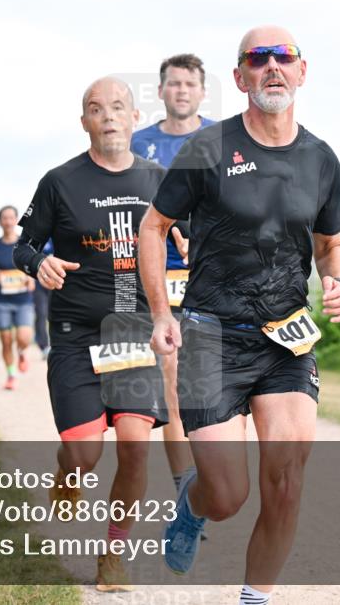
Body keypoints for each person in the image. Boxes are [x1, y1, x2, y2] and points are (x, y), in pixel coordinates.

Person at [138, 26, 340, 605]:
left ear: (302, 72)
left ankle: (255, 597)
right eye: (258, 59)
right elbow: (153, 227)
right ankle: (192, 506)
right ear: (239, 78)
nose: (272, 67)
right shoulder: (209, 148)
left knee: (285, 479)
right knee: (227, 494)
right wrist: (162, 313)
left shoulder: (321, 158)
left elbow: (331, 243)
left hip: (287, 339)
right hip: (210, 336)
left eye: (284, 57)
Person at [13, 76, 169, 593]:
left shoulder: (159, 179)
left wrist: (196, 242)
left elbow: (193, 229)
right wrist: (40, 263)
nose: (107, 116)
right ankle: (66, 474)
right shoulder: (60, 181)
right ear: (84, 122)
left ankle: (114, 554)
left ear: (135, 118)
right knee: (83, 455)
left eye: (118, 106)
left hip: (135, 330)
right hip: (77, 332)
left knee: (135, 447)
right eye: (95, 108)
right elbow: (23, 246)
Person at [130, 53, 215, 495]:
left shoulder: (222, 138)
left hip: (217, 276)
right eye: (174, 83)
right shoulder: (137, 143)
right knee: (174, 377)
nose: (181, 90)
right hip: (163, 277)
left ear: (202, 91)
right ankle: (186, 485)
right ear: (161, 91)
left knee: (215, 380)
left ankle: (213, 473)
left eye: (190, 84)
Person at [0, 206, 35, 389]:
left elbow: (36, 265)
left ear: (16, 220)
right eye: (4, 218)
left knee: (24, 337)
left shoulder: (25, 244)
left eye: (11, 218)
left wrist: (31, 279)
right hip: (2, 300)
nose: (8, 221)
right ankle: (11, 375)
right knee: (5, 339)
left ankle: (22, 352)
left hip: (23, 300)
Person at [32, 239, 54, 359]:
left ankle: (57, 344)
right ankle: (44, 346)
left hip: (58, 283)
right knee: (41, 314)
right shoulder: (38, 236)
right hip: (39, 285)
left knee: (56, 315)